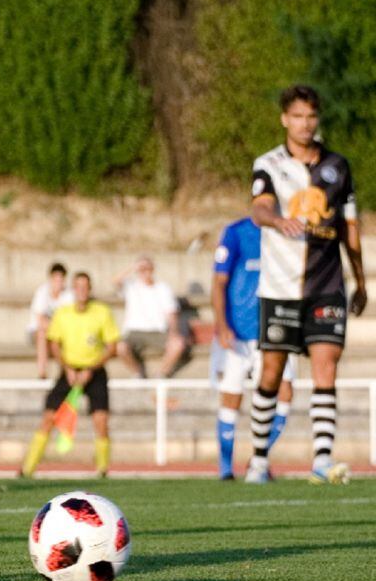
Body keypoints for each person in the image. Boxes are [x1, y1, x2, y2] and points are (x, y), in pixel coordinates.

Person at [247, 85, 366, 485]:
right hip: (280, 287)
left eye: (310, 117)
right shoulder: (269, 163)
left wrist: (361, 280)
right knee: (271, 372)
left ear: (318, 119)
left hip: (327, 284)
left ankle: (321, 459)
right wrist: (278, 220)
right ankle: (259, 460)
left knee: (326, 365)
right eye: (297, 116)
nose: (304, 124)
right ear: (284, 119)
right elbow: (259, 207)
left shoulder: (338, 166)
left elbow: (350, 226)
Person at [210, 217, 296, 480]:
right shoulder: (236, 233)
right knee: (231, 398)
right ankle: (226, 469)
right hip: (238, 332)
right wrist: (222, 324)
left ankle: (257, 459)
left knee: (285, 394)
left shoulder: (287, 231)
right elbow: (218, 282)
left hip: (276, 331)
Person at [21, 272, 118, 478]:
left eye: (85, 287)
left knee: (100, 420)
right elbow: (54, 344)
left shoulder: (102, 312)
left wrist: (91, 369)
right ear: (73, 290)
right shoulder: (63, 313)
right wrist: (68, 369)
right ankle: (27, 469)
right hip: (69, 370)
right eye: (78, 287)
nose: (82, 290)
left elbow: (111, 346)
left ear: (90, 289)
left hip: (94, 371)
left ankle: (102, 470)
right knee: (49, 417)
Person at [114, 256, 189, 378]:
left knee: (178, 344)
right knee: (120, 347)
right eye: (142, 268)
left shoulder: (163, 288)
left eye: (147, 268)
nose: (144, 271)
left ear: (153, 269)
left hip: (158, 331)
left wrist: (173, 332)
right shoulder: (131, 286)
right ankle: (137, 372)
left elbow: (172, 313)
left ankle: (161, 374)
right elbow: (115, 280)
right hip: (134, 332)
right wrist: (133, 267)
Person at [26, 262, 74, 379]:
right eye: (55, 279)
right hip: (40, 332)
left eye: (60, 279)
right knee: (43, 334)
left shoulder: (69, 295)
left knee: (59, 338)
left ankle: (65, 372)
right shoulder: (42, 292)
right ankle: (42, 372)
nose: (58, 283)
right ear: (51, 278)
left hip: (57, 333)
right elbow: (40, 319)